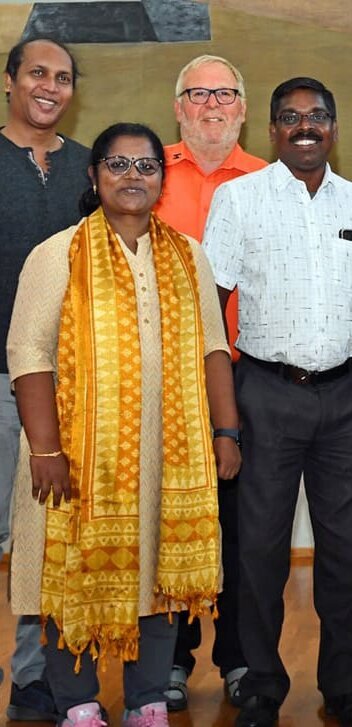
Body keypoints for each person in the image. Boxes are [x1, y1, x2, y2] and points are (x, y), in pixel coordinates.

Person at [6, 121, 239, 727]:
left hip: (170, 457)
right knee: (67, 577)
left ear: (162, 179)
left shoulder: (189, 256)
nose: (132, 177)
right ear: (94, 174)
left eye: (146, 166)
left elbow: (215, 348)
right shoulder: (56, 254)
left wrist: (226, 432)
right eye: (118, 164)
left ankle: (147, 700)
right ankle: (78, 703)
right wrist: (45, 450)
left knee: (161, 576)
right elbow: (28, 355)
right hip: (74, 459)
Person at [202, 77, 352, 727]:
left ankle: (347, 686)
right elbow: (211, 306)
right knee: (259, 550)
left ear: (334, 127)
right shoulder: (237, 201)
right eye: (290, 117)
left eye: (317, 116)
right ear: (270, 130)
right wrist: (224, 416)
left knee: (347, 551)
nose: (305, 126)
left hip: (351, 395)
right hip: (264, 392)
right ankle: (260, 682)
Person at [155, 52, 267, 713]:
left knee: (243, 526)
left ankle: (239, 657)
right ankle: (170, 659)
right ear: (178, 107)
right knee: (172, 522)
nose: (212, 104)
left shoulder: (269, 179)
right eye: (197, 93)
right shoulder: (146, 172)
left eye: (226, 92)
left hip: (250, 372)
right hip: (163, 376)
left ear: (243, 108)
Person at [1, 36, 91, 723]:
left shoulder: (89, 169)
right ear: (10, 81)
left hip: (63, 391)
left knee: (42, 539)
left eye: (62, 78)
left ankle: (33, 679)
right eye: (38, 73)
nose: (50, 86)